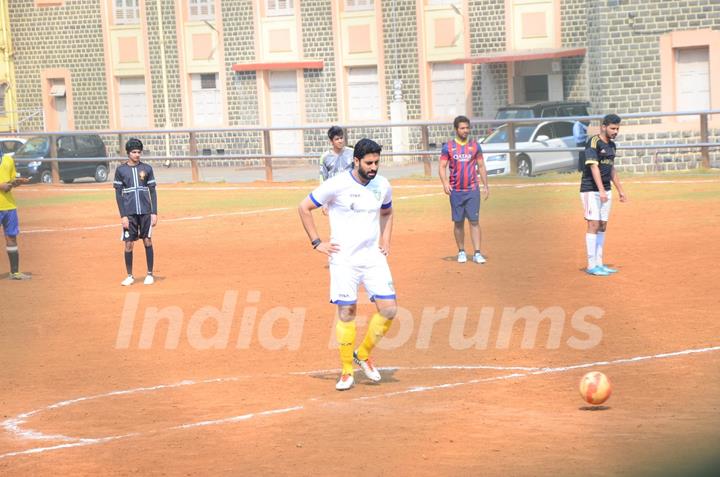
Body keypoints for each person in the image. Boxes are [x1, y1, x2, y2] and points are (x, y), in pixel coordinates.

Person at [298, 138, 396, 391]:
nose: (374, 167)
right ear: (356, 161)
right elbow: (304, 207)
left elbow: (387, 211)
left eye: (376, 162)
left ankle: (362, 354)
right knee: (347, 313)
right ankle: (346, 371)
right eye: (369, 163)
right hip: (344, 260)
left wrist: (385, 239)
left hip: (373, 258)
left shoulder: (382, 185)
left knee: (389, 310)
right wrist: (317, 242)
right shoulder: (337, 184)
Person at [580, 113, 627, 276]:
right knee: (593, 224)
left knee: (603, 226)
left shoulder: (612, 146)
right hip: (590, 189)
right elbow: (593, 167)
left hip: (606, 190)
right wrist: (600, 190)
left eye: (617, 128)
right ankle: (591, 265)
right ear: (603, 127)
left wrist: (620, 190)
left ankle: (600, 263)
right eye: (613, 128)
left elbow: (611, 169)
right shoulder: (593, 142)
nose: (615, 131)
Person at [439, 115, 489, 264]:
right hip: (456, 191)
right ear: (456, 129)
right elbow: (442, 167)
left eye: (467, 128)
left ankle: (477, 253)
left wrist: (486, 185)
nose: (465, 130)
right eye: (462, 128)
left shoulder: (475, 146)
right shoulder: (448, 147)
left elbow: (481, 166)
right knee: (458, 222)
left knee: (474, 221)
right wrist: (445, 183)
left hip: (472, 190)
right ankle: (461, 251)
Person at [114, 138, 158, 286]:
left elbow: (152, 191)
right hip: (130, 213)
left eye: (139, 152)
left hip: (145, 211)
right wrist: (123, 216)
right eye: (134, 152)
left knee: (147, 240)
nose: (137, 155)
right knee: (128, 244)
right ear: (128, 153)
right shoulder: (121, 170)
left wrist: (154, 212)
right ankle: (129, 275)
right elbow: (118, 195)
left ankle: (150, 274)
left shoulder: (147, 169)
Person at [0, 152, 30, 280]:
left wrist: (16, 182)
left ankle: (15, 272)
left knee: (11, 237)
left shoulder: (8, 159)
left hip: (9, 205)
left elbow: (10, 181)